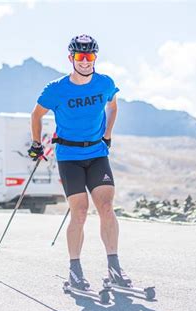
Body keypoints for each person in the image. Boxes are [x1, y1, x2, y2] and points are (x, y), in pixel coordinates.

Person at [29, 34, 132, 290]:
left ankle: (114, 268)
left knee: (106, 206)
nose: (85, 61)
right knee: (81, 211)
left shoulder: (105, 83)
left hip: (97, 154)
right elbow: (37, 113)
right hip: (69, 157)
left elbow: (113, 107)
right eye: (80, 56)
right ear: (71, 58)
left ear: (95, 57)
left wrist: (107, 135)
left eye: (89, 56)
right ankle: (75, 271)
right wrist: (36, 143)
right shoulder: (56, 89)